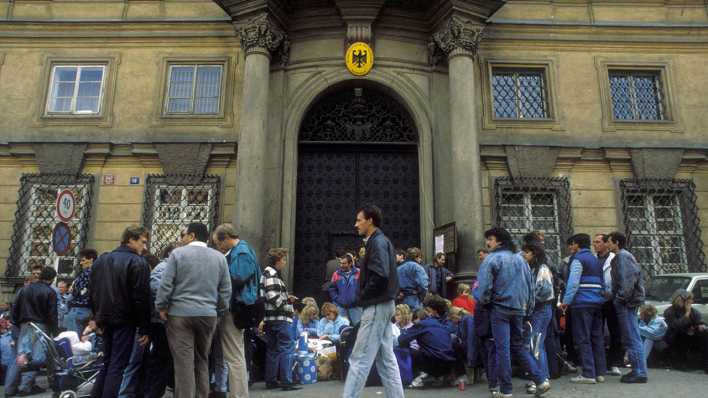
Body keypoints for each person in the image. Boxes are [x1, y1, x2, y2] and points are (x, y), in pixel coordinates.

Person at [156, 222, 231, 398]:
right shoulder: (219, 258)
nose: (182, 239)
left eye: (185, 235)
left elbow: (166, 283)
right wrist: (218, 310)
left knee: (183, 363)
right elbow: (226, 290)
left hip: (180, 314)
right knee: (202, 359)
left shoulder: (178, 254)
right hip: (207, 314)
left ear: (192, 236)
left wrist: (161, 306)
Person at [476, 227, 550, 398]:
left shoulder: (491, 259)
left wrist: (485, 303)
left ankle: (506, 390)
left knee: (502, 349)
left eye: (490, 239)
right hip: (519, 310)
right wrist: (528, 311)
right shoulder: (521, 260)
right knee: (518, 347)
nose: (487, 242)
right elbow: (530, 288)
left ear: (499, 241)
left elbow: (484, 288)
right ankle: (541, 380)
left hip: (499, 309)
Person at [342, 205, 403, 398]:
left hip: (376, 304)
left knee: (359, 359)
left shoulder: (376, 243)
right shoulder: (380, 241)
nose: (356, 224)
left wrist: (362, 296)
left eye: (359, 220)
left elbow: (380, 276)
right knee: (386, 361)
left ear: (370, 220)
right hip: (384, 304)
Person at [90, 226, 151, 398]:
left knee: (107, 362)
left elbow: (93, 292)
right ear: (131, 239)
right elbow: (141, 298)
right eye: (143, 242)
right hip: (125, 321)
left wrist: (97, 318)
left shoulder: (102, 260)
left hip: (105, 319)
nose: (144, 247)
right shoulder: (138, 263)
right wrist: (145, 328)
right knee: (117, 365)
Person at [212, 223, 261, 398]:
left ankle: (239, 395)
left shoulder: (241, 252)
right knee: (235, 354)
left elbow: (235, 280)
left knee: (234, 355)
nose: (219, 247)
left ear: (226, 238)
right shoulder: (243, 250)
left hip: (236, 308)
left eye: (219, 243)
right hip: (239, 307)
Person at [560, 234, 606, 384]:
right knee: (597, 338)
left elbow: (573, 283)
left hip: (582, 302)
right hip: (597, 302)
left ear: (576, 244)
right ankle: (599, 372)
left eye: (571, 245)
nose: (570, 248)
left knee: (583, 338)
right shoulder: (595, 259)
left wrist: (566, 302)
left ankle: (588, 373)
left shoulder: (578, 259)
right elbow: (602, 282)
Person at [607, 231, 647, 383]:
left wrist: (619, 298)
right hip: (626, 302)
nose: (607, 244)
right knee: (631, 337)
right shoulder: (620, 257)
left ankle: (639, 372)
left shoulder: (623, 256)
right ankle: (637, 370)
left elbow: (627, 282)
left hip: (627, 303)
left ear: (617, 242)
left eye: (609, 241)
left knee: (632, 338)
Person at [12, 266, 58, 396]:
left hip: (24, 324)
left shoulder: (25, 289)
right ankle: (25, 386)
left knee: (23, 353)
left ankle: (15, 384)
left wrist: (17, 322)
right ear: (51, 279)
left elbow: (15, 307)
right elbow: (52, 314)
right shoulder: (50, 292)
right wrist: (55, 332)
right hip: (40, 325)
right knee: (38, 356)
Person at [260, 248, 300, 391]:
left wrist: (286, 298)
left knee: (273, 349)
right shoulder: (271, 274)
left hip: (271, 318)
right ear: (277, 261)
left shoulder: (269, 273)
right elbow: (273, 297)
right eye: (283, 260)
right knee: (286, 348)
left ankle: (271, 380)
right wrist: (287, 302)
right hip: (280, 317)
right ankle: (286, 381)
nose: (284, 263)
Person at [144, 242, 179, 398]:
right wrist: (170, 301)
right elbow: (154, 286)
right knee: (161, 358)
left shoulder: (168, 267)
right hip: (161, 321)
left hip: (162, 320)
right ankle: (153, 392)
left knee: (163, 358)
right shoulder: (164, 267)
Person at [399, 295, 457, 388]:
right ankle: (445, 375)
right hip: (449, 362)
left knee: (413, 351)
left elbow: (402, 339)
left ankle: (421, 376)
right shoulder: (445, 323)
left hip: (433, 362)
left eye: (425, 309)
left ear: (431, 310)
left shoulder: (424, 324)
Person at [520, 241, 554, 393]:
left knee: (535, 344)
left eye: (526, 252)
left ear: (534, 254)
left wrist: (527, 302)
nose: (523, 255)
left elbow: (544, 292)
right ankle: (539, 377)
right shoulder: (531, 269)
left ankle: (541, 378)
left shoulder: (542, 269)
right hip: (536, 311)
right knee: (535, 344)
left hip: (541, 310)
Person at [592, 234, 623, 377]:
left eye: (598, 242)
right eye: (594, 242)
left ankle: (614, 363)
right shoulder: (593, 258)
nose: (595, 244)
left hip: (611, 299)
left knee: (615, 331)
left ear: (605, 244)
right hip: (596, 299)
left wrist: (610, 293)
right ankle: (600, 363)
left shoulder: (614, 258)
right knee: (597, 332)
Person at [662, 289, 708, 373]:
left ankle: (706, 365)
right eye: (689, 300)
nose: (691, 302)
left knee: (705, 335)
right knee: (683, 335)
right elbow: (675, 326)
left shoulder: (693, 311)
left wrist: (701, 326)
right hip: (675, 336)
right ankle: (680, 363)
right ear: (680, 300)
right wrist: (687, 314)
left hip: (691, 334)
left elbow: (698, 321)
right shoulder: (670, 311)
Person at [65, 248, 97, 335]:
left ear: (91, 259)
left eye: (83, 260)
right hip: (90, 310)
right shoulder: (98, 273)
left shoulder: (85, 273)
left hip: (78, 309)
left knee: (72, 340)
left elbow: (76, 291)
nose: (81, 263)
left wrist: (73, 289)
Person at [329, 253, 362, 325]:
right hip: (341, 307)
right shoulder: (336, 274)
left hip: (356, 307)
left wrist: (358, 299)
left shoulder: (359, 273)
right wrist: (337, 299)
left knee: (358, 328)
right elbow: (332, 289)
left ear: (350, 263)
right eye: (340, 263)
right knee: (342, 329)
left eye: (344, 263)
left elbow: (364, 287)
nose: (341, 265)